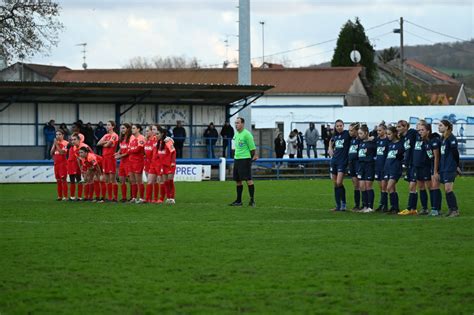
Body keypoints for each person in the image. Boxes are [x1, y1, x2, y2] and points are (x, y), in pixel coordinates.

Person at [229, 117, 258, 207]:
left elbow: (252, 149)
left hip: (245, 159)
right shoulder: (236, 134)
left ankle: (252, 200)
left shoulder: (247, 135)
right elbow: (236, 147)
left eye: (238, 123)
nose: (236, 125)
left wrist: (249, 159)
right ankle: (238, 201)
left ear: (242, 124)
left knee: (248, 179)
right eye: (235, 123)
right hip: (237, 159)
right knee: (238, 180)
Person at [438, 120, 461, 217]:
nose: (439, 127)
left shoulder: (451, 138)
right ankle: (451, 209)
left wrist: (457, 165)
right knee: (446, 189)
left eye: (441, 125)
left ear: (447, 127)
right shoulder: (443, 138)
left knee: (448, 189)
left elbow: (455, 153)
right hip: (444, 167)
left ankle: (455, 210)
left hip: (450, 167)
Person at [397, 120, 419, 215]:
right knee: (412, 187)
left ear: (406, 127)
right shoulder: (403, 138)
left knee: (412, 186)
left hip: (415, 163)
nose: (398, 128)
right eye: (397, 127)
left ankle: (410, 208)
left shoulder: (412, 133)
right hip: (409, 164)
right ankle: (412, 209)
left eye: (400, 127)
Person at [328, 119, 350, 211]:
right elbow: (331, 140)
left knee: (339, 182)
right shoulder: (335, 135)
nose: (339, 127)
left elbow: (355, 134)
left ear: (343, 126)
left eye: (341, 125)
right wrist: (330, 148)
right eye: (337, 126)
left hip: (342, 161)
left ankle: (343, 203)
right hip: (334, 161)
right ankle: (337, 206)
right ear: (335, 127)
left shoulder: (347, 134)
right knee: (335, 184)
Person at [383, 126, 405, 214]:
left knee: (389, 187)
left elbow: (402, 156)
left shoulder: (400, 144)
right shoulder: (389, 144)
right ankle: (394, 207)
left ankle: (395, 206)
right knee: (392, 188)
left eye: (389, 134)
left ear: (395, 133)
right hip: (388, 167)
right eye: (387, 134)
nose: (388, 136)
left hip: (395, 168)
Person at [96, 120, 119, 202]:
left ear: (113, 126)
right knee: (106, 178)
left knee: (112, 178)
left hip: (111, 158)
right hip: (104, 158)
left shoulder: (115, 135)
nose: (107, 126)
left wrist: (105, 144)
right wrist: (105, 143)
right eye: (107, 125)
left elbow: (109, 144)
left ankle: (115, 197)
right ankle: (109, 197)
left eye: (109, 125)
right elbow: (98, 143)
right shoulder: (106, 135)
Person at [357, 125, 377, 213]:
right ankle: (364, 206)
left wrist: (373, 137)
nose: (359, 135)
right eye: (359, 133)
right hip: (361, 166)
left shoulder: (372, 142)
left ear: (366, 133)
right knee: (361, 186)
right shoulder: (360, 142)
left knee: (368, 186)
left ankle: (370, 206)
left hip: (369, 165)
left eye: (361, 133)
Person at [156, 127, 177, 204]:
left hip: (169, 165)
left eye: (158, 134)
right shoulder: (159, 142)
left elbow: (173, 152)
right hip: (163, 165)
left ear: (162, 134)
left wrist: (172, 162)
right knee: (165, 182)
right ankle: (168, 198)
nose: (156, 135)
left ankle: (172, 198)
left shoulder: (167, 141)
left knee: (170, 181)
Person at [128, 124, 146, 203]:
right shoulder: (131, 137)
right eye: (132, 128)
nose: (132, 129)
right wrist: (131, 149)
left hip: (138, 161)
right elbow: (129, 148)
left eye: (134, 128)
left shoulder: (141, 138)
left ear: (138, 129)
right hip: (131, 160)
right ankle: (134, 198)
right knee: (132, 180)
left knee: (139, 180)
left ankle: (141, 198)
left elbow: (138, 149)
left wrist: (131, 150)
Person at [114, 123, 132, 202]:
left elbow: (129, 151)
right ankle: (124, 197)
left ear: (128, 129)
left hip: (129, 161)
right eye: (121, 128)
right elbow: (121, 148)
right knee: (122, 179)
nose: (122, 130)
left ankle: (132, 197)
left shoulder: (131, 138)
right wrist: (118, 152)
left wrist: (119, 156)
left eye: (124, 128)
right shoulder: (121, 138)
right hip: (122, 161)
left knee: (131, 180)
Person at [68, 133, 88, 201]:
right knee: (72, 180)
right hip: (71, 164)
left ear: (79, 140)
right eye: (72, 140)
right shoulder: (72, 147)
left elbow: (88, 154)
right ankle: (72, 196)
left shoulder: (83, 147)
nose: (73, 141)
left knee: (79, 179)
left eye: (74, 139)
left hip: (78, 164)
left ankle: (80, 196)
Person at [374, 123, 389, 212]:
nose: (378, 132)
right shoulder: (377, 140)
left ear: (384, 130)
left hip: (385, 166)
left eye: (380, 130)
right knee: (381, 187)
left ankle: (385, 205)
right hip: (378, 166)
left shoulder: (387, 141)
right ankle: (382, 204)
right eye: (377, 131)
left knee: (384, 187)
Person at [51, 129, 69, 201]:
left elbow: (62, 152)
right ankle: (60, 196)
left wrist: (56, 144)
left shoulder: (66, 143)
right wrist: (54, 144)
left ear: (63, 135)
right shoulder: (56, 143)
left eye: (59, 134)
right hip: (56, 164)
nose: (58, 136)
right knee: (58, 180)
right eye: (56, 135)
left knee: (63, 179)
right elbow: (51, 152)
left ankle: (65, 196)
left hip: (63, 164)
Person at [428, 130, 442, 216]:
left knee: (435, 186)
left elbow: (436, 157)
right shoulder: (426, 142)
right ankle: (435, 208)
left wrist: (435, 171)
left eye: (422, 130)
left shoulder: (434, 141)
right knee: (433, 187)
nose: (420, 132)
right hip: (432, 166)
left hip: (437, 167)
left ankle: (436, 209)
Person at [347, 122, 361, 211]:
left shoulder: (360, 140)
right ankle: (357, 205)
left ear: (356, 131)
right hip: (351, 163)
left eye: (351, 130)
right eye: (349, 130)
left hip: (358, 164)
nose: (350, 132)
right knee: (355, 185)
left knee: (361, 185)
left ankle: (365, 204)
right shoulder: (351, 140)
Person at [144, 125, 157, 202]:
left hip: (154, 163)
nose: (146, 132)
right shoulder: (146, 140)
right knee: (150, 181)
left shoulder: (155, 140)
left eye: (147, 131)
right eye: (146, 131)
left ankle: (151, 198)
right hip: (147, 162)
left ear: (152, 131)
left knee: (151, 181)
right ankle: (150, 198)